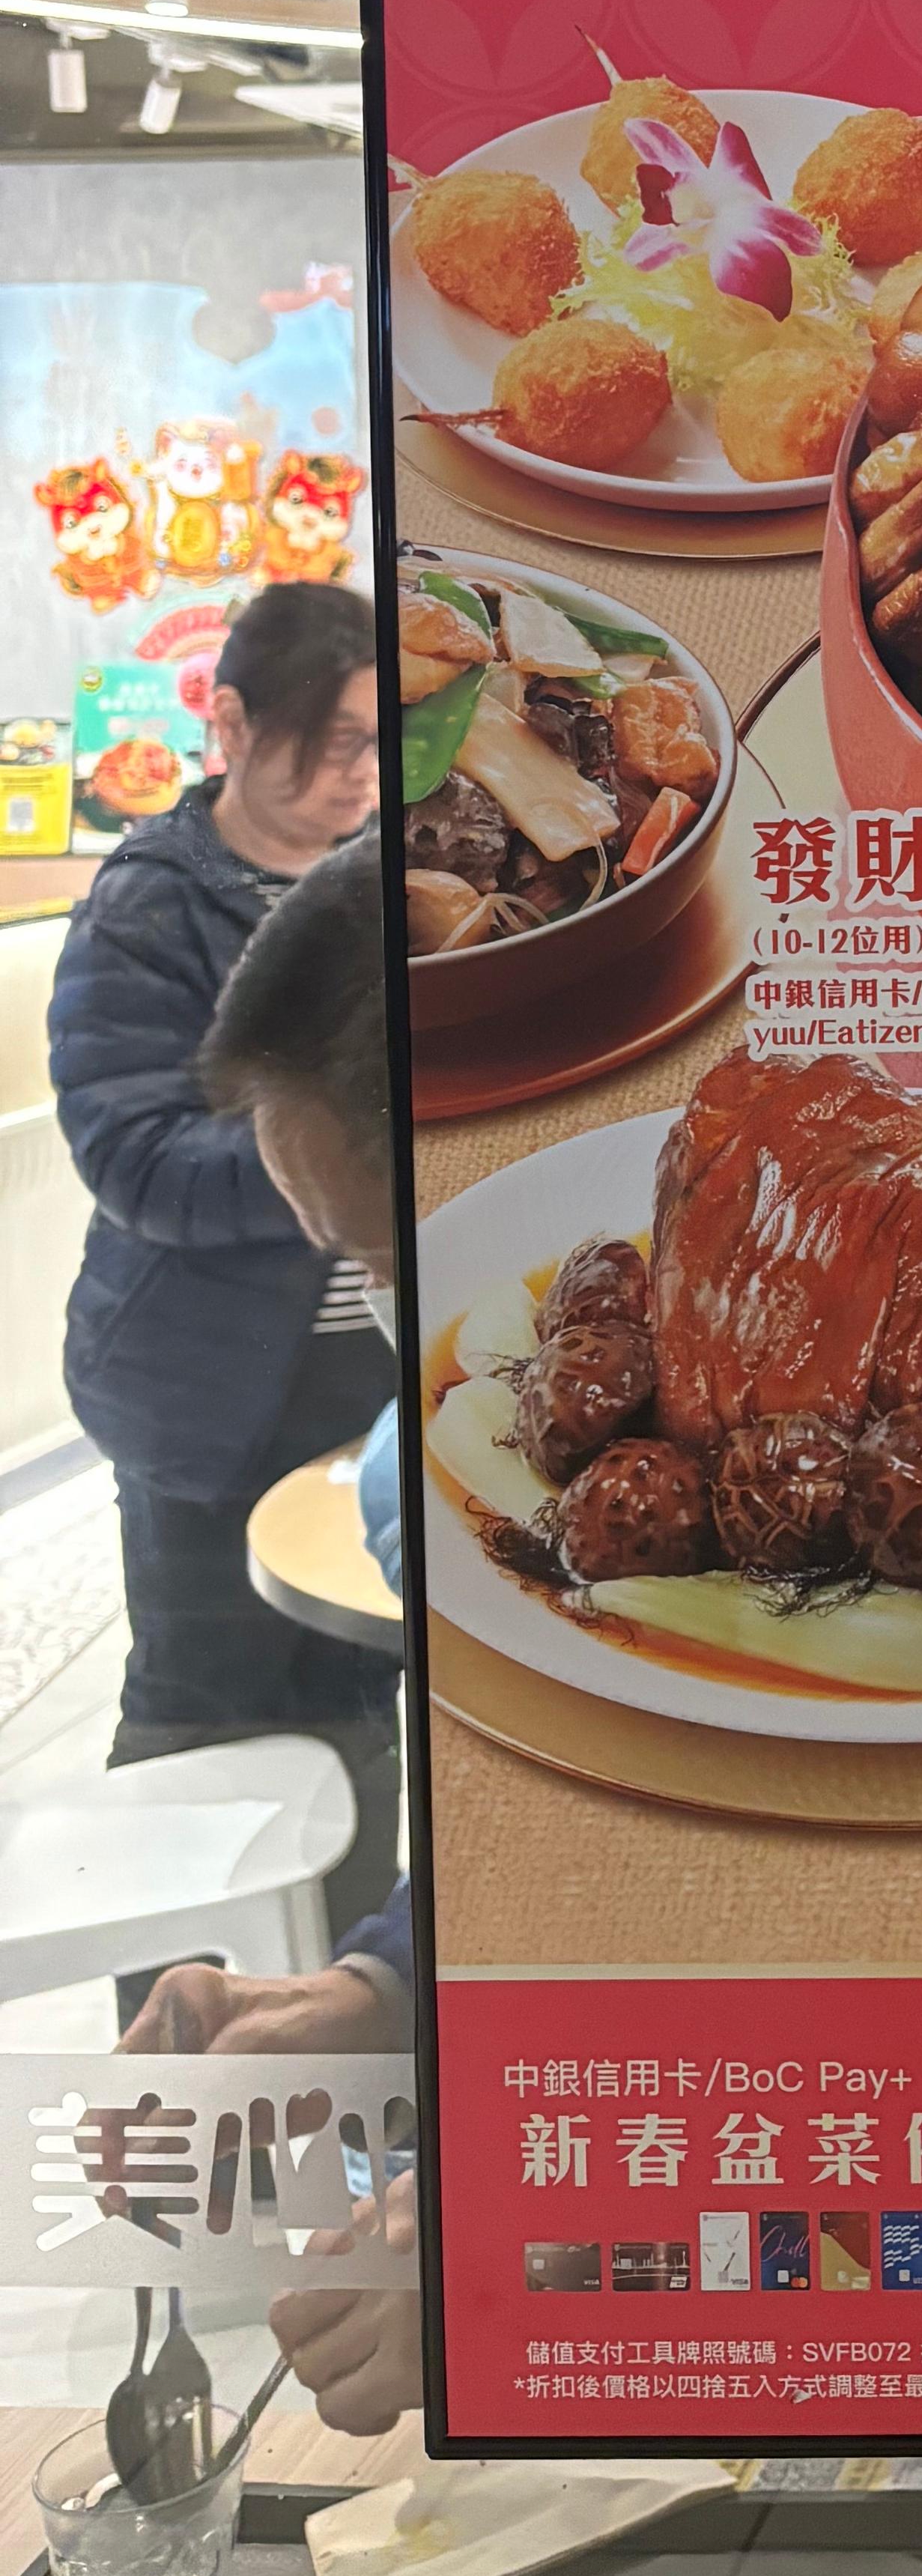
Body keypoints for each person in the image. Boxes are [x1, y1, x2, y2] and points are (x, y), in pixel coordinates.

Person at [120, 830, 424, 2434]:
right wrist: (370, 1997)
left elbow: (857, 1953)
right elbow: (563, 1857)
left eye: (382, 1258)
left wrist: (553, 2245)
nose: (382, 1312)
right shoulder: (434, 1478)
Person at [49, 587, 399, 1946]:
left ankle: (337, 2016)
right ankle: (182, 2034)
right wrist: (339, 1144)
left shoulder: (389, 880)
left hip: (362, 1398)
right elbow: (133, 1160)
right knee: (203, 1720)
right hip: (207, 1398)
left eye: (385, 742)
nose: (365, 773)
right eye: (336, 739)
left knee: (358, 1708)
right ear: (234, 723)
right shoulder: (149, 903)